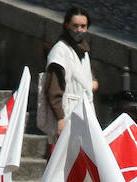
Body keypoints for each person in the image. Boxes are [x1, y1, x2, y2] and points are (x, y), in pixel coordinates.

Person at [40, 7, 97, 147]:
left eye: (83, 26)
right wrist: (60, 118)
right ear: (67, 25)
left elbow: (86, 72)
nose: (79, 30)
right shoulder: (60, 51)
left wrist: (93, 81)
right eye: (75, 26)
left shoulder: (83, 50)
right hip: (67, 111)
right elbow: (54, 88)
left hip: (84, 110)